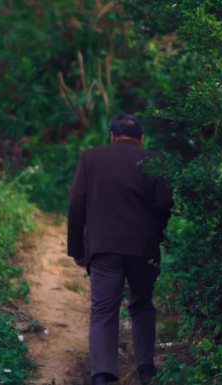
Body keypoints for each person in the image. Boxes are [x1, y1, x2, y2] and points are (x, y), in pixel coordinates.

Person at [67, 115, 173, 385]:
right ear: (140, 139)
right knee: (142, 306)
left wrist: (77, 249)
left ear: (112, 135)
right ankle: (146, 368)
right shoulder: (155, 161)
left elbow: (77, 204)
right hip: (143, 249)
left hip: (104, 248)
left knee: (103, 310)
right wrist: (155, 238)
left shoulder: (91, 158)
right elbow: (164, 206)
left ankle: (102, 374)